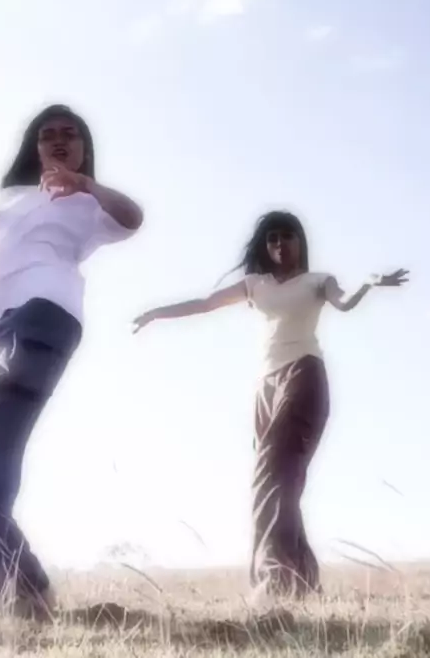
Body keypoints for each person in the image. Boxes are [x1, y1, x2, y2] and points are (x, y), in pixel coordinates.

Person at [133, 211, 408, 599]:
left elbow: (344, 303)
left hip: (303, 376)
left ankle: (274, 583)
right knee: (281, 482)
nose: (280, 244)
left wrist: (369, 282)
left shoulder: (319, 281)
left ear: (300, 241)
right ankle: (303, 582)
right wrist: (157, 313)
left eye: (287, 236)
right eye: (273, 238)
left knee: (271, 476)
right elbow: (206, 304)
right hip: (265, 387)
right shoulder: (255, 285)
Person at [0, 104, 143, 617]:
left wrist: (87, 185)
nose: (58, 140)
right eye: (47, 135)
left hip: (41, 313)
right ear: (33, 147)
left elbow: (132, 218)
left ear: (84, 147)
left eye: (70, 134)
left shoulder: (84, 199)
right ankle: (31, 588)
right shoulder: (7, 198)